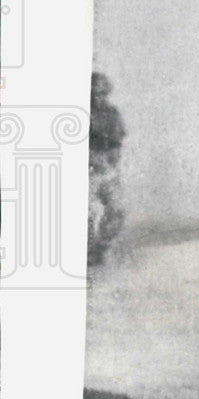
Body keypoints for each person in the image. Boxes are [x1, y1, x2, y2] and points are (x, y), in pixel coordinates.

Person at [88, 72, 126, 266]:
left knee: (117, 210)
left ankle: (101, 247)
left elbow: (118, 141)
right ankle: (86, 251)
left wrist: (112, 162)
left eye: (102, 93)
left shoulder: (112, 113)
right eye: (95, 93)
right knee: (88, 213)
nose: (98, 97)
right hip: (88, 170)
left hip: (107, 168)